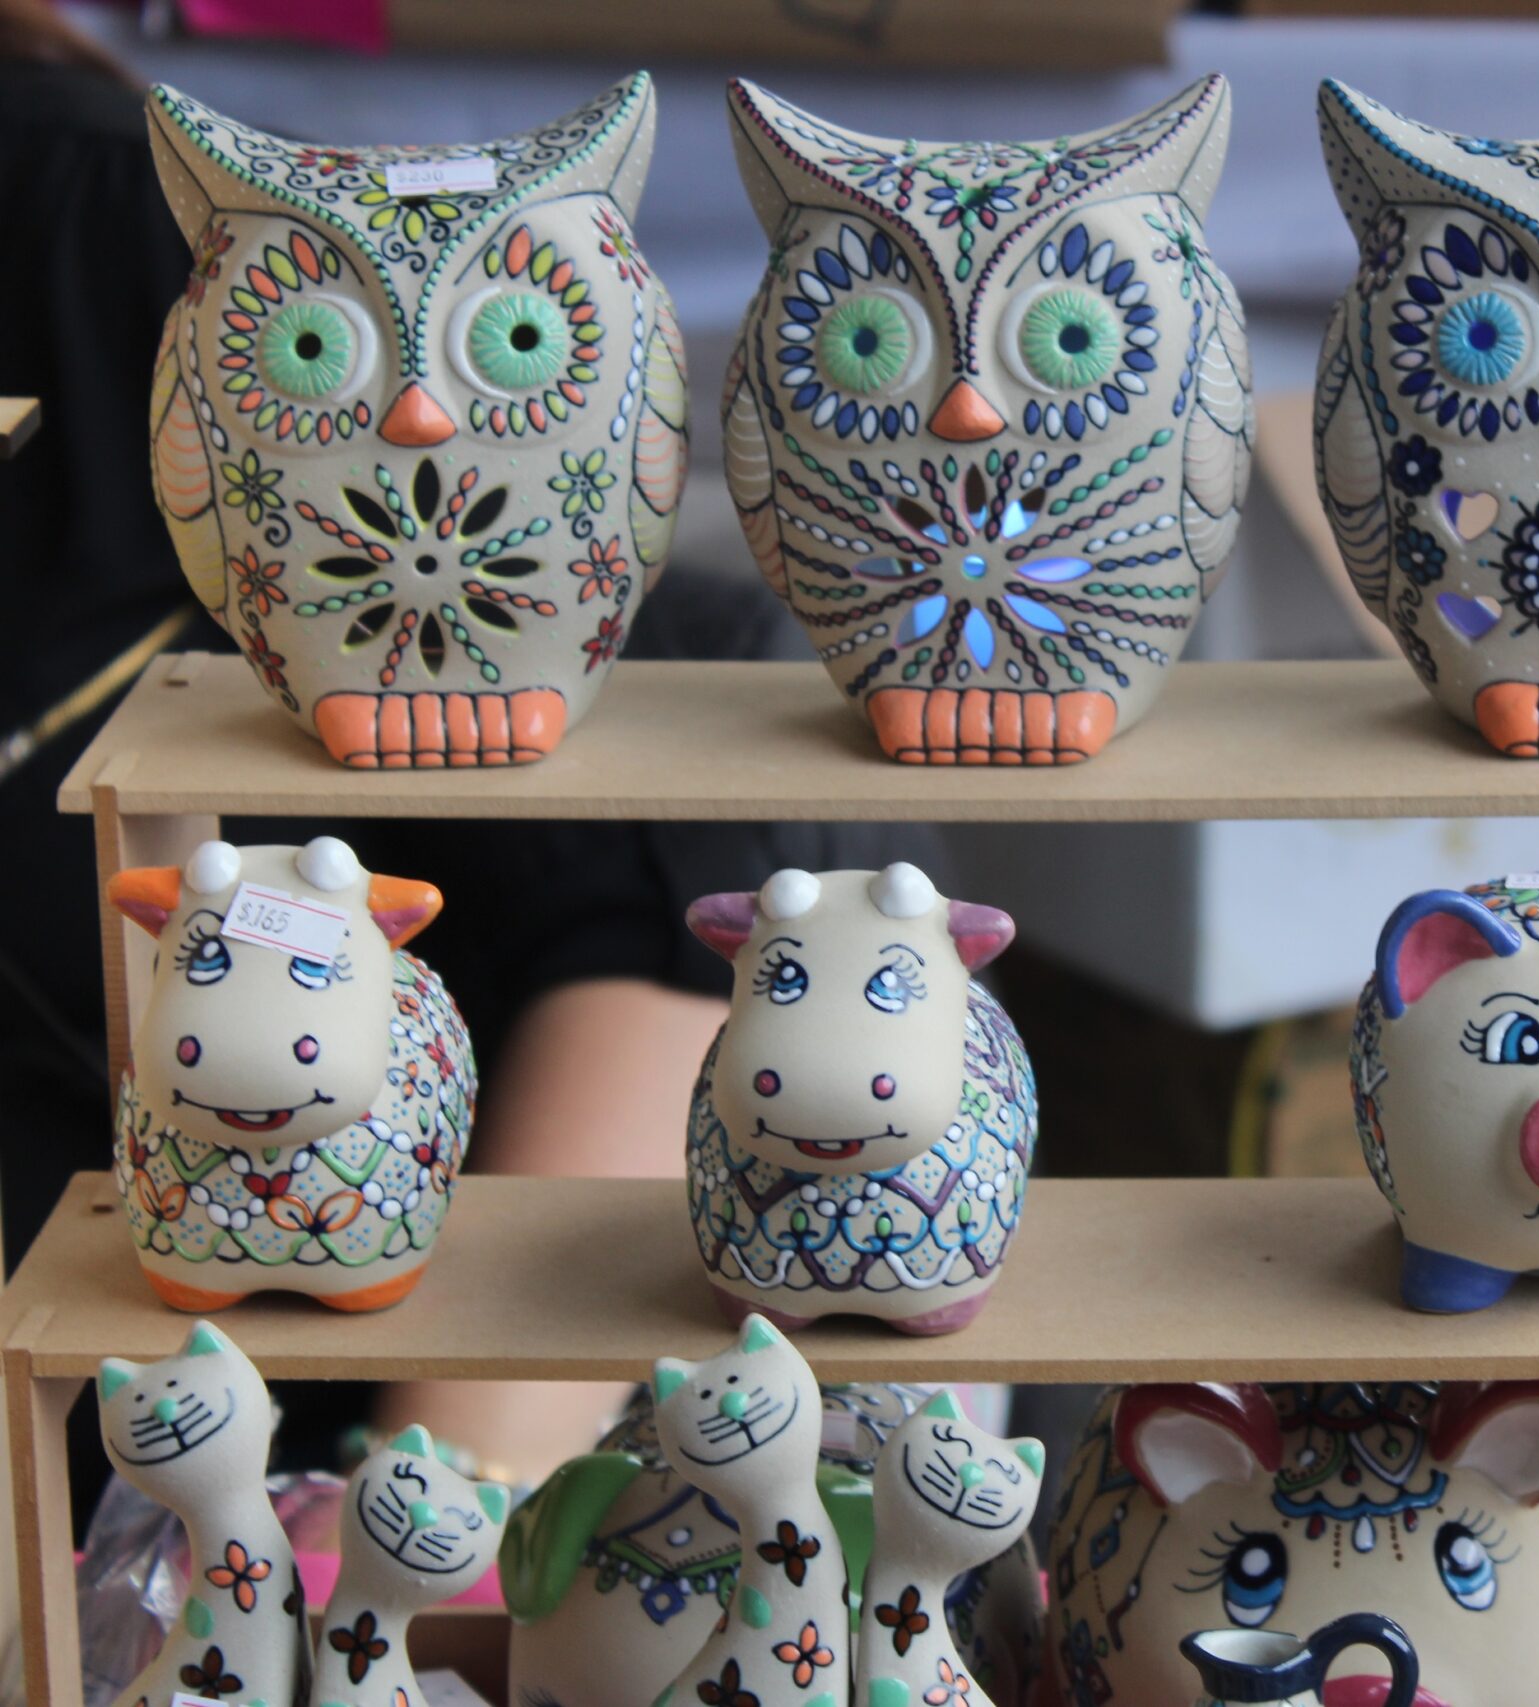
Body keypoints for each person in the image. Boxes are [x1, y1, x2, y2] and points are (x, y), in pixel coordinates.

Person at [0, 0, 931, 1493]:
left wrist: (449, 1503)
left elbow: (688, 772)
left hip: (318, 1428)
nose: (425, 420)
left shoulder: (83, 200)